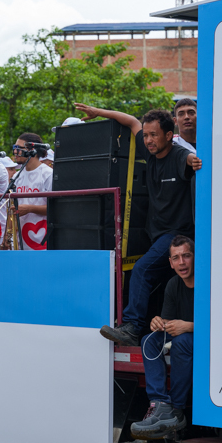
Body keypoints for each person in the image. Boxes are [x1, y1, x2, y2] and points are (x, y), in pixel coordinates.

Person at [74, 104, 202, 346]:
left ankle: (132, 327)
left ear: (168, 135)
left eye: (154, 135)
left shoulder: (177, 155)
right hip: (158, 235)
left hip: (178, 236)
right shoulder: (150, 151)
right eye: (146, 135)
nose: (148, 140)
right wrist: (98, 112)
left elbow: (189, 160)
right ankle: (157, 331)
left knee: (142, 269)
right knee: (157, 282)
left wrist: (193, 161)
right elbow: (131, 121)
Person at [132, 235, 195, 440]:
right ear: (170, 262)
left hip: (204, 340)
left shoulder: (208, 281)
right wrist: (157, 322)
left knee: (182, 341)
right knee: (149, 340)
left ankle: (176, 410)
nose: (182, 262)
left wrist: (189, 326)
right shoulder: (173, 284)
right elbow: (166, 322)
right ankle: (160, 404)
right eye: (176, 258)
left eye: (186, 256)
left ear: (195, 257)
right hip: (180, 336)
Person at [12, 133, 52, 250]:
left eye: (19, 148)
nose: (15, 152)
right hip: (21, 242)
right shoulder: (16, 176)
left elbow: (55, 209)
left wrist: (30, 208)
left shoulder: (47, 174)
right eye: (15, 148)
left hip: (42, 242)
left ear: (32, 150)